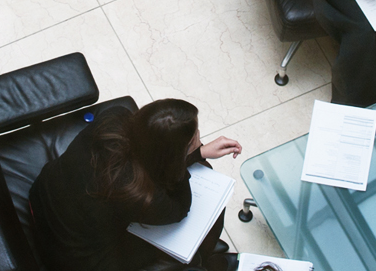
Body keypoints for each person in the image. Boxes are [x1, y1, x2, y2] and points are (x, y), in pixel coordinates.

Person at [28, 99, 244, 271]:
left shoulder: (115, 116)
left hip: (41, 199)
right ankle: (206, 261)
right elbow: (180, 209)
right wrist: (191, 156)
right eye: (194, 138)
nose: (199, 137)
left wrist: (195, 152)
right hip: (72, 258)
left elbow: (145, 152)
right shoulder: (142, 195)